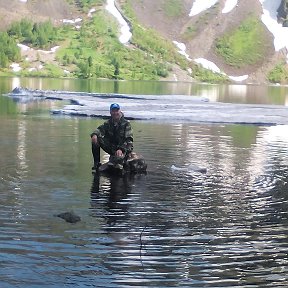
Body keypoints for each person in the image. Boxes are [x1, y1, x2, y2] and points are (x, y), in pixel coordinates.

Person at [90, 103, 133, 171]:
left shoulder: (126, 123)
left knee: (117, 168)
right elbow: (100, 129)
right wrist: (94, 135)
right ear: (110, 112)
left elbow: (129, 140)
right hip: (112, 147)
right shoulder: (108, 123)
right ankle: (96, 163)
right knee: (96, 139)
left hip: (124, 148)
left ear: (119, 111)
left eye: (117, 110)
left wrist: (121, 149)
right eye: (113, 111)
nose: (115, 113)